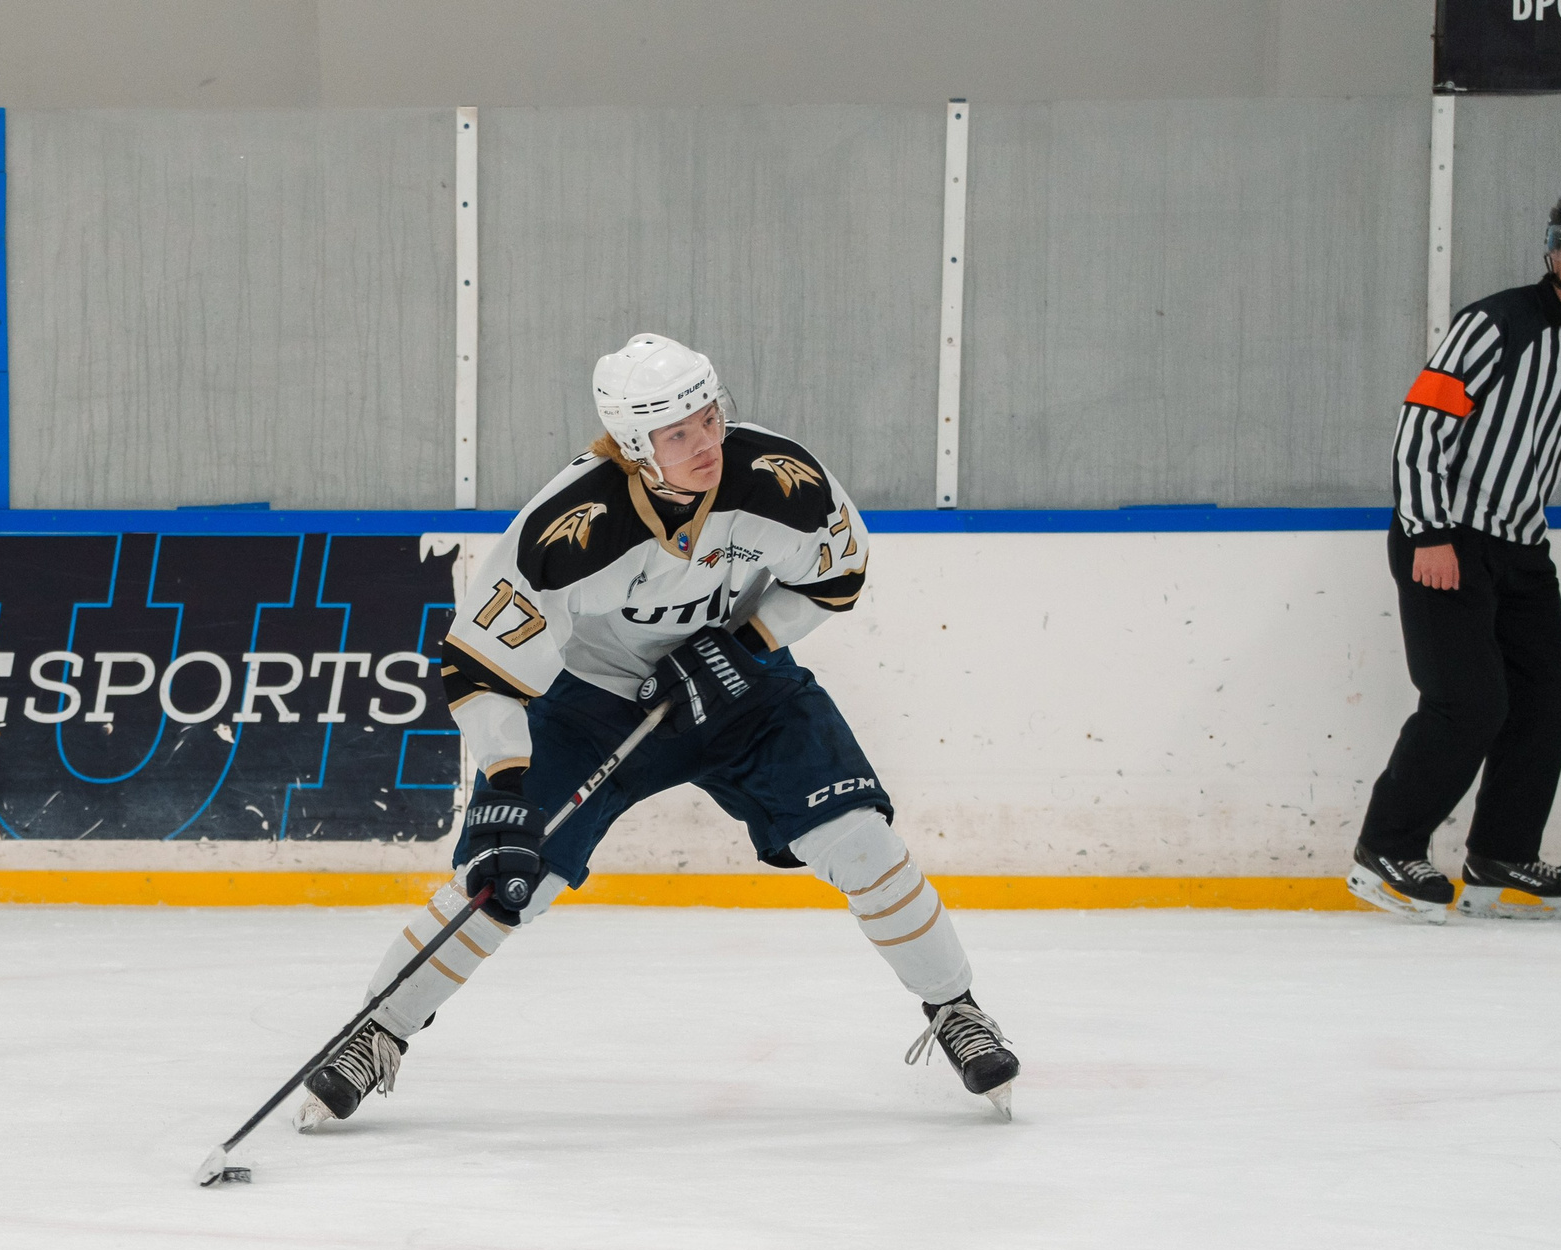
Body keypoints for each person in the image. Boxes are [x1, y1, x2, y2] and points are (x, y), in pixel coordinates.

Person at [294, 334, 1021, 1137]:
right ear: (635, 447)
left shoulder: (781, 479)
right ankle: (375, 1031)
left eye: (710, 417)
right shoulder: (570, 527)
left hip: (745, 691)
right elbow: (480, 665)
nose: (707, 443)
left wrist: (748, 645)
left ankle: (956, 1009)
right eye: (679, 434)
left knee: (860, 838)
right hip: (592, 702)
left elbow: (837, 574)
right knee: (503, 880)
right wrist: (506, 780)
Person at [1351, 183, 1561, 922]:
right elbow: (1423, 422)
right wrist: (1428, 530)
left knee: (1549, 696)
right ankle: (1385, 847)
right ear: (1553, 247)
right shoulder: (1496, 322)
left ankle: (1501, 858)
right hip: (1447, 537)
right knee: (1469, 701)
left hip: (1522, 548)